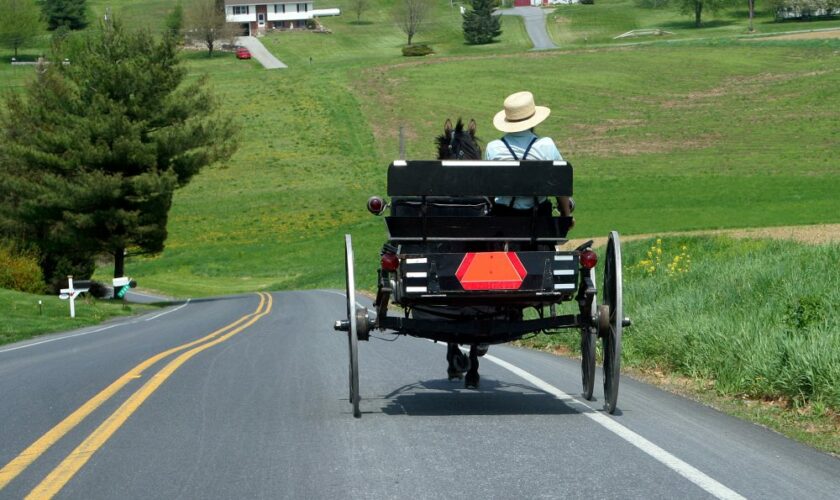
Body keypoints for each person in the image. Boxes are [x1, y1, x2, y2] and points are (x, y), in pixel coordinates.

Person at [485, 91, 574, 224]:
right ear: (533, 121)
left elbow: (488, 189)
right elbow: (560, 184)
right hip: (539, 218)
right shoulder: (546, 145)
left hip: (502, 219)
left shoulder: (493, 148)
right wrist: (566, 216)